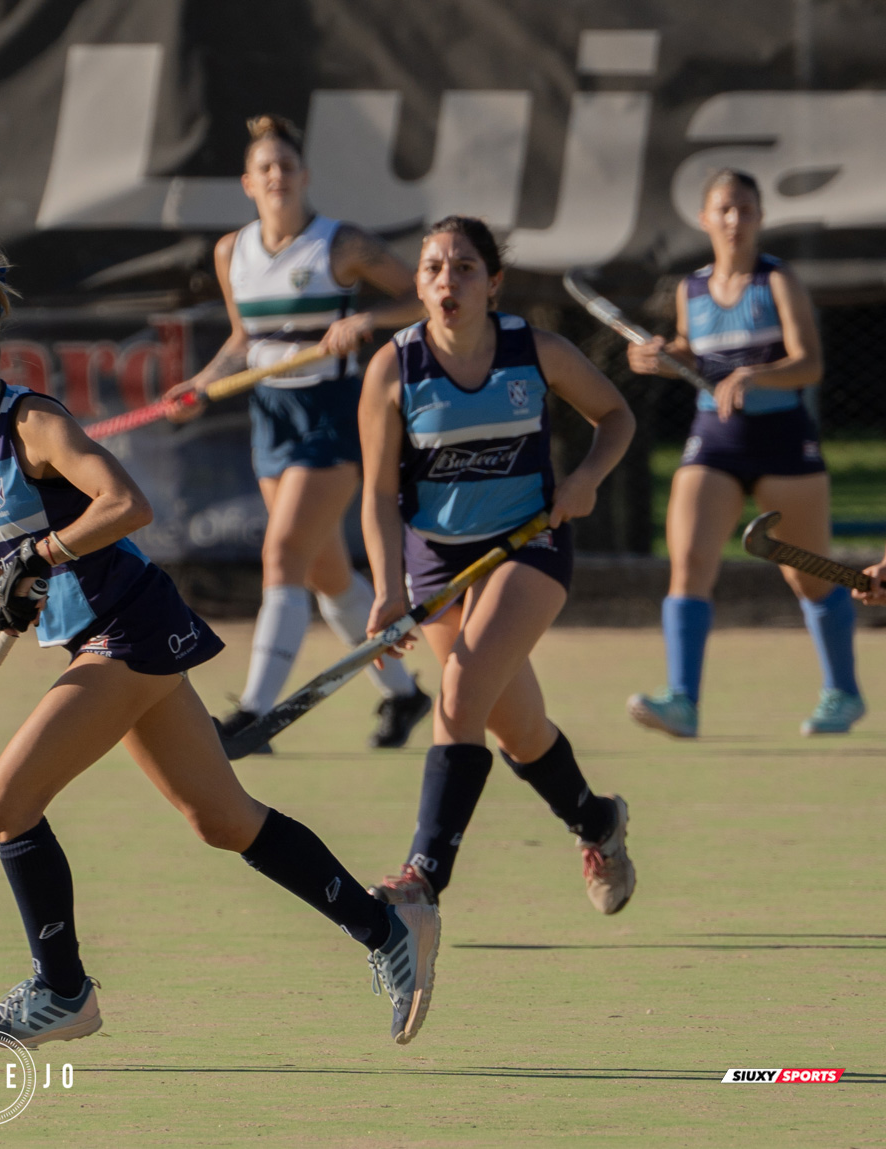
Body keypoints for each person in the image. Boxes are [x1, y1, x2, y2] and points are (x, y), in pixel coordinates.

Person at [0, 238, 440, 1046]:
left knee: (6, 803)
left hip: (127, 626)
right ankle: (388, 929)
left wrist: (46, 553)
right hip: (98, 636)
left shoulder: (34, 423)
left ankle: (63, 989)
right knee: (222, 817)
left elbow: (126, 503)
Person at [358, 216, 638, 915]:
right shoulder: (394, 367)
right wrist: (389, 589)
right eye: (432, 268)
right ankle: (597, 820)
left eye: (463, 268)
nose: (446, 280)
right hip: (436, 564)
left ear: (493, 283)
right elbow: (376, 493)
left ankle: (423, 877)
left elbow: (616, 416)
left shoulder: (533, 351)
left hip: (528, 542)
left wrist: (588, 479)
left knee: (459, 691)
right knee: (517, 727)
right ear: (419, 284)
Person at [167, 114, 431, 751]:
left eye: (287, 167)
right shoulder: (233, 252)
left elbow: (422, 298)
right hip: (271, 418)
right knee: (325, 574)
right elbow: (242, 340)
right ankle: (404, 695)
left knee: (281, 553)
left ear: (305, 176)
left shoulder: (343, 246)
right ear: (248, 183)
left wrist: (365, 319)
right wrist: (200, 384)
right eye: (265, 169)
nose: (277, 177)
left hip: (333, 413)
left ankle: (256, 714)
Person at [626, 169, 859, 737]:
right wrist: (659, 354)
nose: (734, 220)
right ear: (705, 218)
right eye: (723, 210)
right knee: (690, 565)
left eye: (745, 210)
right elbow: (693, 351)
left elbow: (810, 364)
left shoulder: (778, 282)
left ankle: (843, 693)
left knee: (809, 577)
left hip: (783, 442)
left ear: (759, 218)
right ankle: (682, 700)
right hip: (716, 440)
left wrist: (755, 375)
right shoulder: (692, 289)